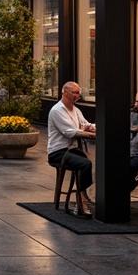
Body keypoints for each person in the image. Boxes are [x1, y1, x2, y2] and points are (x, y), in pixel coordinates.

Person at [47, 81, 96, 217]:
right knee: (85, 163)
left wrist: (93, 127)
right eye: (75, 92)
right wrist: (88, 132)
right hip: (58, 152)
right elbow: (70, 132)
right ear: (65, 92)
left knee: (87, 163)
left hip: (72, 151)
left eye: (78, 93)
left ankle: (81, 196)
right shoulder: (57, 110)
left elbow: (85, 124)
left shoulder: (76, 110)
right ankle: (81, 200)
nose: (78, 95)